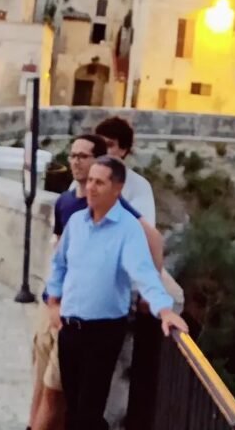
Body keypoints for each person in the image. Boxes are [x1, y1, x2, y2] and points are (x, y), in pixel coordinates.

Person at [30, 134, 164, 430]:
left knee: (64, 396)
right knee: (44, 380)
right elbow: (59, 255)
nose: (76, 162)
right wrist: (52, 302)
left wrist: (149, 296)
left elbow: (152, 241)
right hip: (61, 312)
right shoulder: (67, 202)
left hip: (98, 322)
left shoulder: (119, 211)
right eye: (73, 155)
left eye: (83, 156)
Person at [46, 156, 188, 430]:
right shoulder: (76, 222)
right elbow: (59, 264)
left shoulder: (127, 229)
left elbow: (144, 272)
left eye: (99, 182)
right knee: (73, 409)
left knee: (88, 412)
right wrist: (53, 302)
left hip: (103, 332)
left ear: (117, 189)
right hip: (70, 330)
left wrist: (165, 309)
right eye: (90, 181)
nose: (91, 187)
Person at [94, 115, 156, 224]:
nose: (103, 150)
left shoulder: (140, 186)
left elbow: (143, 228)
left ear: (123, 149)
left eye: (109, 145)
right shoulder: (81, 181)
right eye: (99, 144)